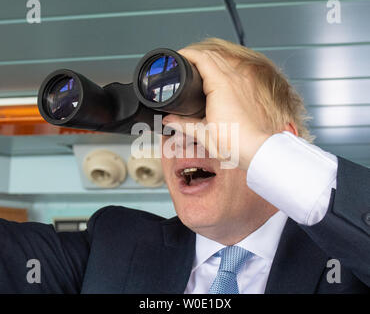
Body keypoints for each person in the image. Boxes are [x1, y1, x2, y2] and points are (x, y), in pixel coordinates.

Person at [0, 38, 369, 293]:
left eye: (211, 122)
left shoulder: (346, 262)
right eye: (167, 127)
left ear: (279, 147)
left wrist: (260, 149)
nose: (184, 138)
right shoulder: (114, 245)